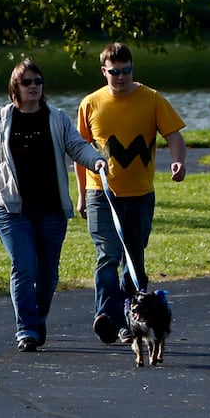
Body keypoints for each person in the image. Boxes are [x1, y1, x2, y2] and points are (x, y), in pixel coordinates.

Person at [0, 59, 107, 352]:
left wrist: (96, 159)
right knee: (24, 265)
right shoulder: (0, 120)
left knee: (48, 275)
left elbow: (77, 146)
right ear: (16, 87)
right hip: (11, 210)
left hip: (51, 210)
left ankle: (37, 319)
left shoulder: (57, 118)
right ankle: (25, 329)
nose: (34, 87)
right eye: (27, 82)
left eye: (38, 82)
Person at [75, 42, 187, 346]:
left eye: (126, 71)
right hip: (102, 193)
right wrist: (83, 193)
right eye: (115, 72)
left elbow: (174, 135)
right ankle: (107, 318)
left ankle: (131, 321)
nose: (121, 77)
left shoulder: (151, 99)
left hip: (139, 194)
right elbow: (80, 151)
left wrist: (178, 160)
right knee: (106, 256)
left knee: (133, 261)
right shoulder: (91, 103)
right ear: (104, 71)